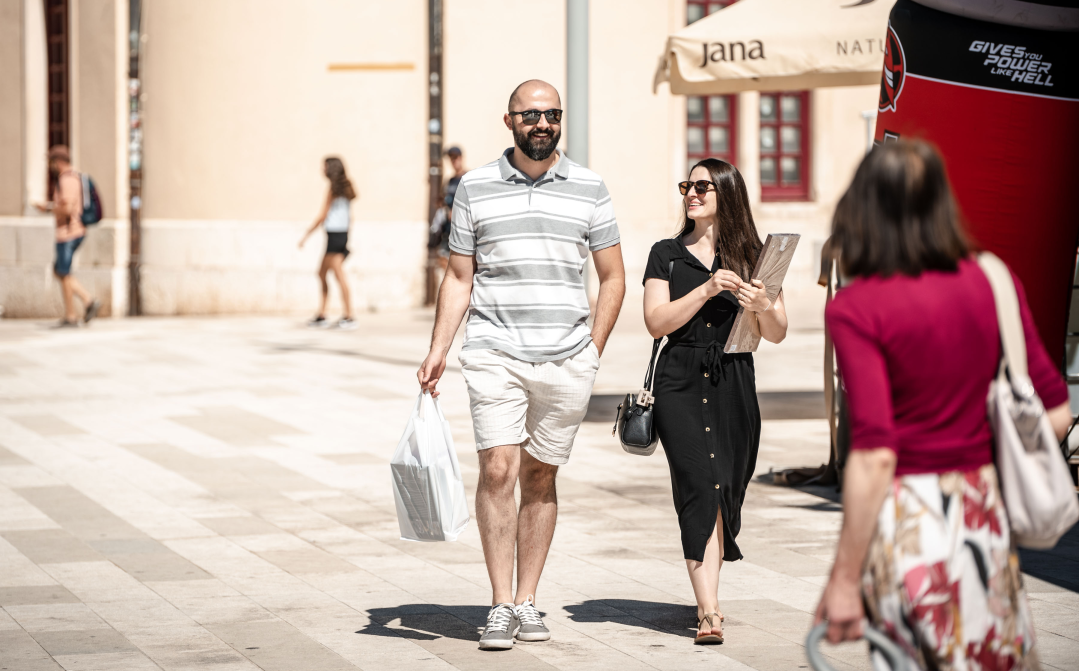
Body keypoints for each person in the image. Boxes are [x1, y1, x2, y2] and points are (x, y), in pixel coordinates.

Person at [815, 141, 1072, 670]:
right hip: (983, 515)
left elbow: (875, 453)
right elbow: (1056, 412)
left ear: (860, 209)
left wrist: (843, 580)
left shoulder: (857, 308)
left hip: (911, 521)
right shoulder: (990, 279)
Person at [417, 80, 626, 650]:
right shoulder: (475, 187)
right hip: (493, 351)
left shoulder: (589, 187)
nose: (543, 123)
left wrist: (593, 350)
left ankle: (529, 598)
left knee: (540, 475)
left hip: (566, 357)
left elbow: (613, 276)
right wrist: (439, 348)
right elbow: (460, 277)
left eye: (552, 114)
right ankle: (500, 604)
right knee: (498, 470)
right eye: (531, 114)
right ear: (508, 120)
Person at [642, 159, 788, 645]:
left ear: (727, 192)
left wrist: (761, 304)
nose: (692, 192)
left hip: (734, 379)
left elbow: (778, 333)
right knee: (698, 485)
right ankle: (709, 611)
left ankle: (711, 599)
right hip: (678, 382)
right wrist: (707, 288)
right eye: (688, 185)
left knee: (726, 485)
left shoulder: (754, 256)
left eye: (703, 186)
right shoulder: (665, 254)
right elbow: (656, 321)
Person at [33, 146, 100, 327]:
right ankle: (83, 305)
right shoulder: (73, 177)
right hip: (71, 231)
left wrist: (46, 207)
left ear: (59, 162)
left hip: (69, 232)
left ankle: (79, 308)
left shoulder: (67, 179)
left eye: (52, 162)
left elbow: (68, 208)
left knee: (63, 272)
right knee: (61, 271)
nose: (51, 166)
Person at [299, 156, 357, 329]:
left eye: (324, 167)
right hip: (341, 234)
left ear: (331, 169)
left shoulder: (333, 188)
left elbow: (323, 215)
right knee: (322, 273)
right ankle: (323, 314)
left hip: (334, 235)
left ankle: (349, 316)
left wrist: (306, 235)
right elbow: (349, 216)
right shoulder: (347, 187)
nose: (322, 170)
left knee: (338, 275)